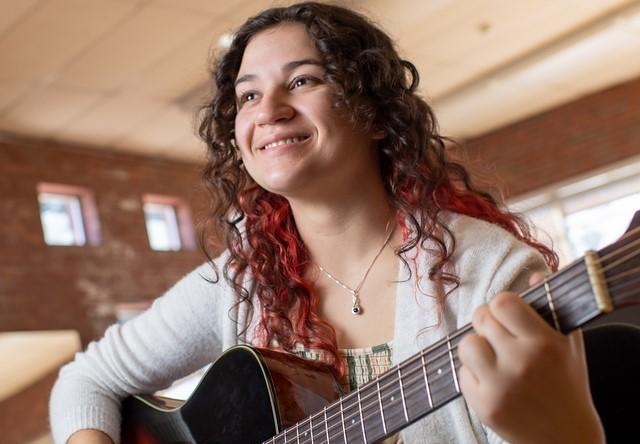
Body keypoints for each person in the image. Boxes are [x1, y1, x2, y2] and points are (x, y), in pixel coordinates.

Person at [50, 2, 605, 443]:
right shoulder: (244, 283)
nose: (268, 109)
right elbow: (86, 380)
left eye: (301, 82)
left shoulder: (489, 273)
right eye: (248, 95)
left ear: (377, 116)